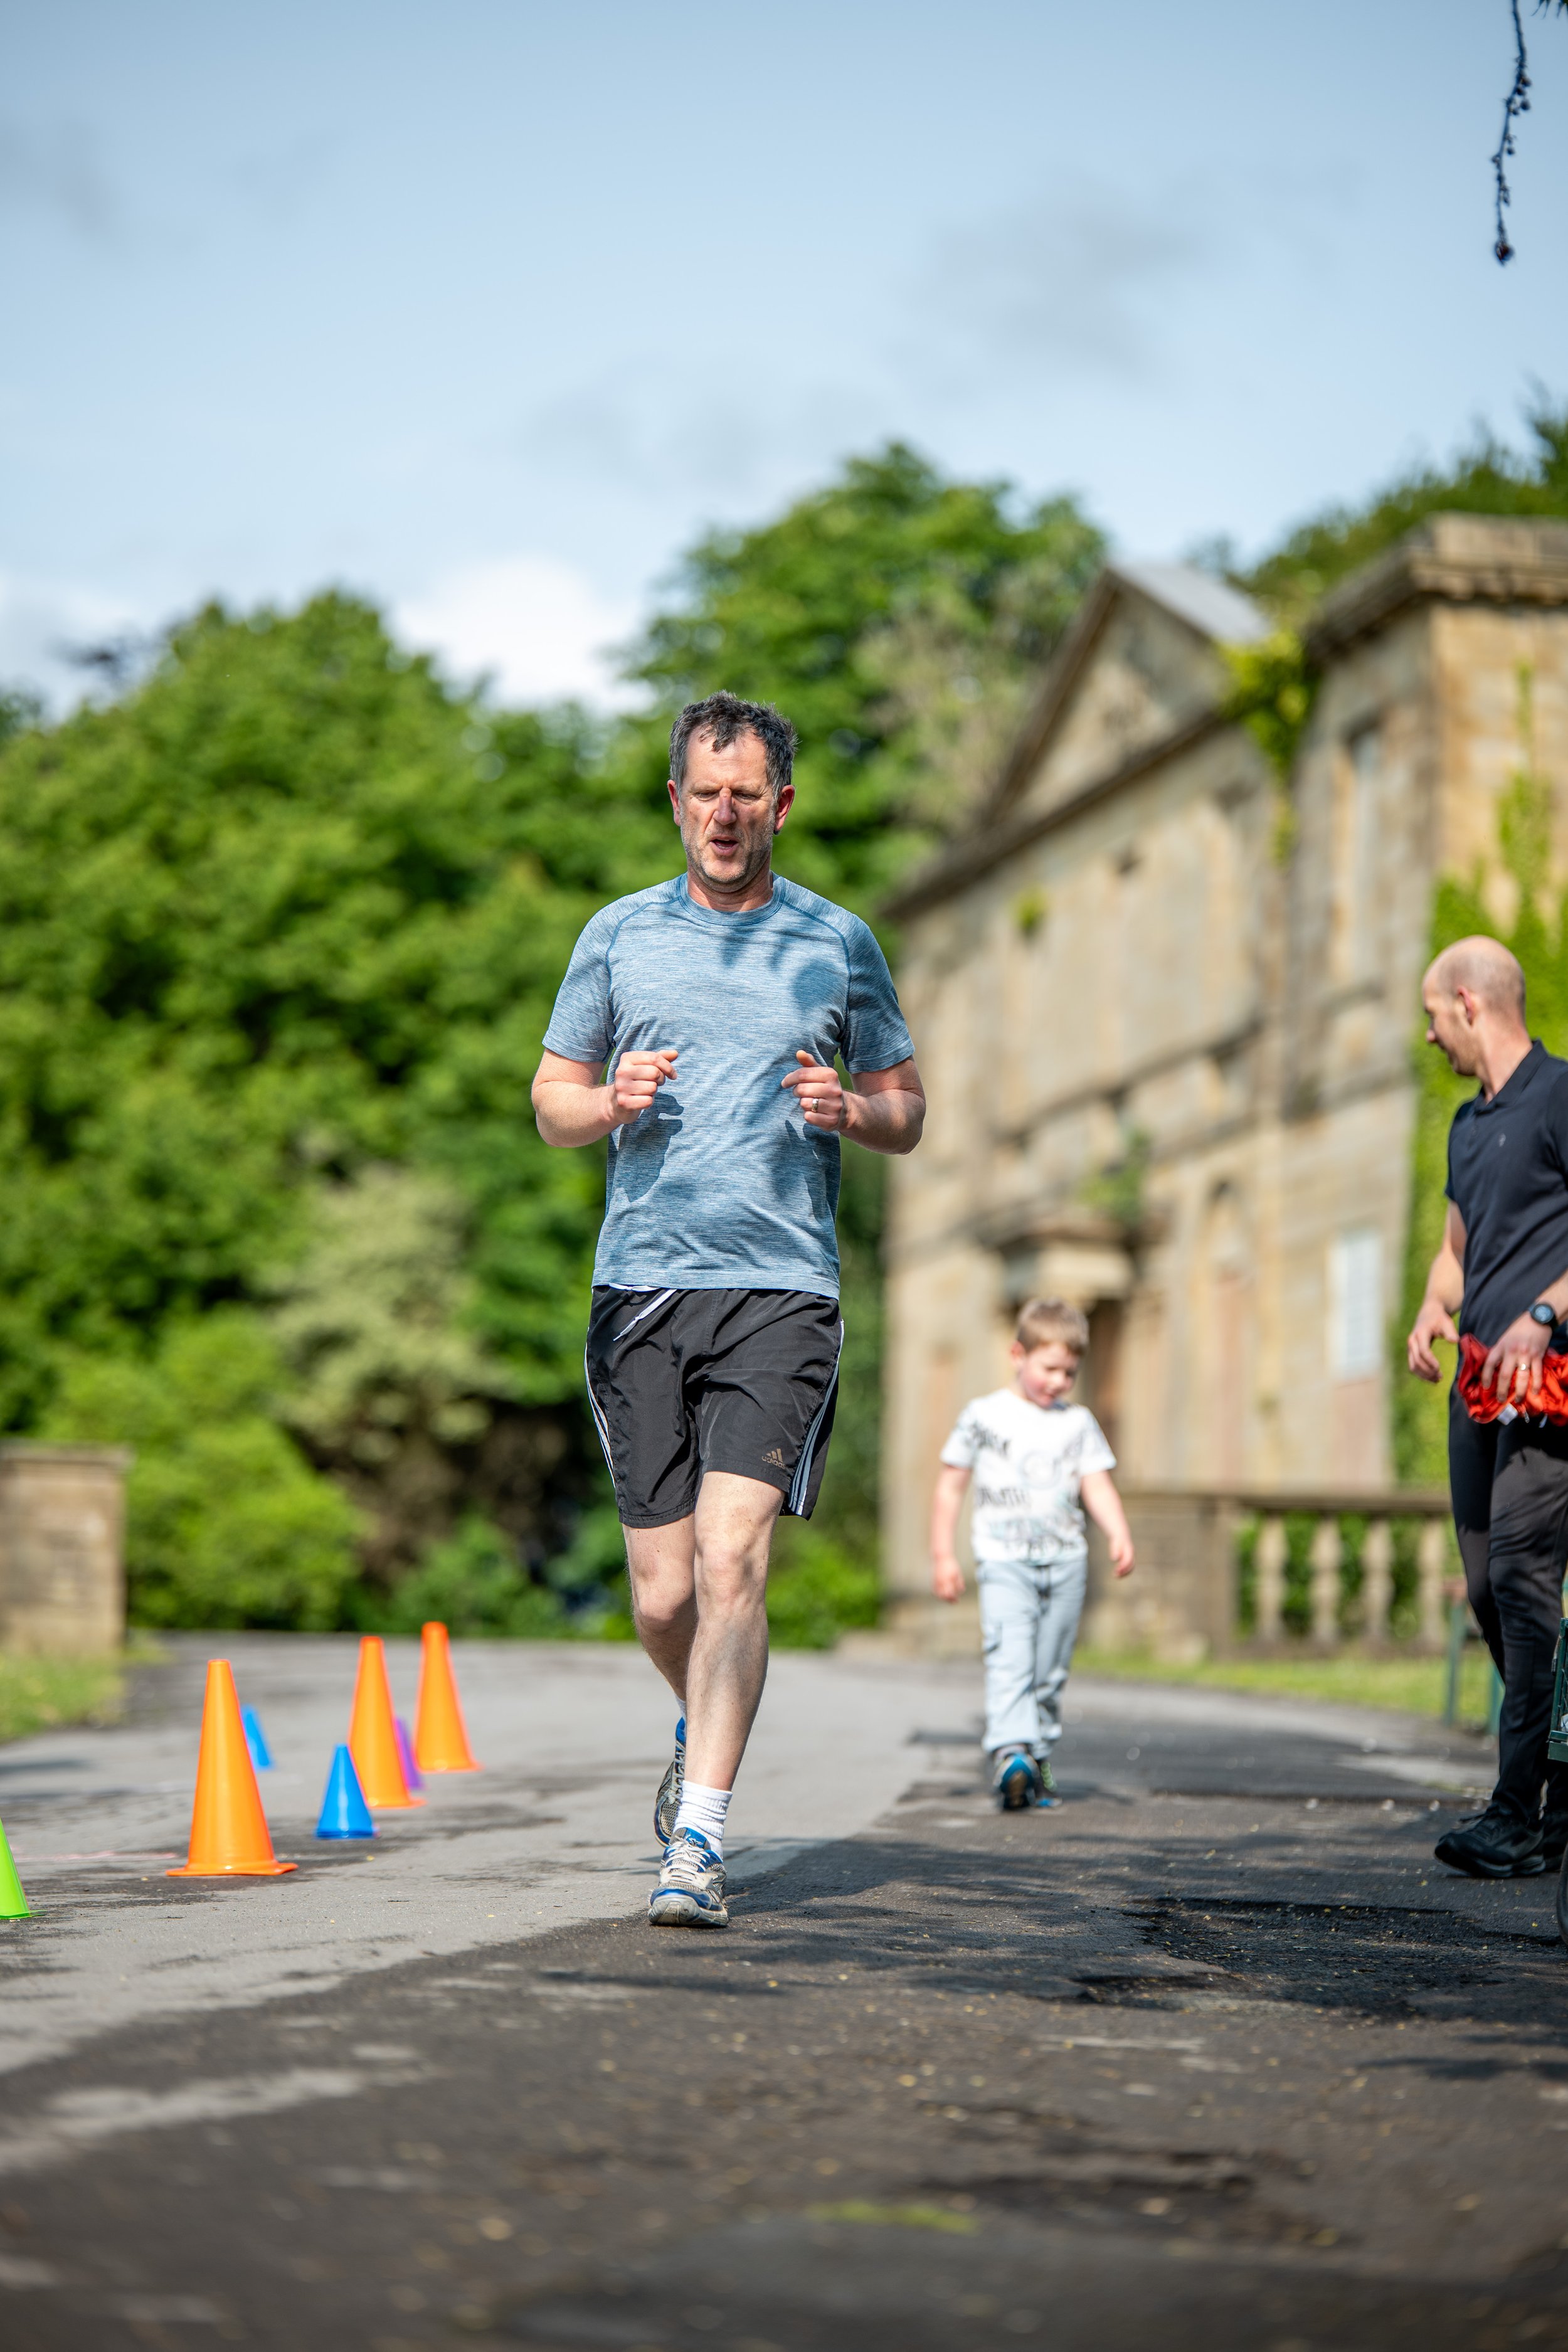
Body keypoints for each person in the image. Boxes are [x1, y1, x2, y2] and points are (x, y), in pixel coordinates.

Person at [531, 691, 924, 1929]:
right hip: (642, 1284)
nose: (722, 814)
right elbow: (551, 1095)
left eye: (745, 794)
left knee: (731, 1553)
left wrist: (852, 1114)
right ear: (675, 801)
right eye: (703, 793)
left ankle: (696, 1840)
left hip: (782, 1289)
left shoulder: (837, 942)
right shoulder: (617, 937)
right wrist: (608, 1103)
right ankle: (697, 1715)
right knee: (660, 1595)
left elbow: (906, 1109)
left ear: (779, 805)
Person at [1407, 934, 1568, 1878]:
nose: (1430, 1036)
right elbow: (1456, 1247)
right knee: (1483, 1585)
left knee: (1519, 1577)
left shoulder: (1561, 1093)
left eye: (1432, 1015)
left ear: (1470, 1002)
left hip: (1548, 1385)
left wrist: (1547, 1311)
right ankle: (1556, 1772)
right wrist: (1435, 1301)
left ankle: (1519, 1811)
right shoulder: (1468, 1126)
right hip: (1478, 1383)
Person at [930, 1297, 1135, 1809]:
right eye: (1049, 1368)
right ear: (1017, 1354)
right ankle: (1009, 1753)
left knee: (1049, 1671)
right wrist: (943, 1555)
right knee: (1011, 1659)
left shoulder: (1078, 1423)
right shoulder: (984, 1416)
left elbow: (1098, 1485)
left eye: (1070, 1372)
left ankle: (1037, 1756)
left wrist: (1118, 1532)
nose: (1059, 1381)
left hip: (1065, 1562)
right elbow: (950, 1487)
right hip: (1004, 1562)